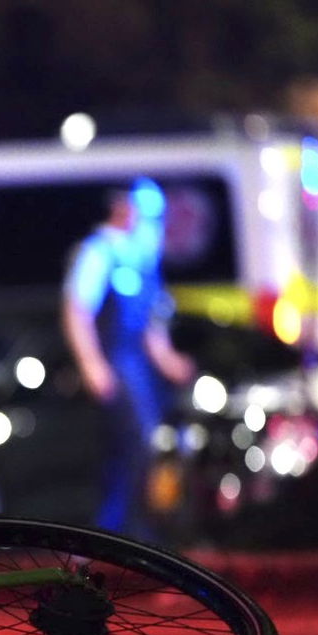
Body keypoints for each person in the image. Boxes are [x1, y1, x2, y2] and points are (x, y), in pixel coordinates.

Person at [61, 179, 195, 540]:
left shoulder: (142, 258)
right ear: (123, 209)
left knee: (143, 449)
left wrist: (168, 360)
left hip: (139, 364)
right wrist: (92, 365)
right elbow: (77, 311)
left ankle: (129, 535)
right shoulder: (100, 251)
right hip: (114, 361)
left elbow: (150, 323)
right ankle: (126, 536)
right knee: (135, 446)